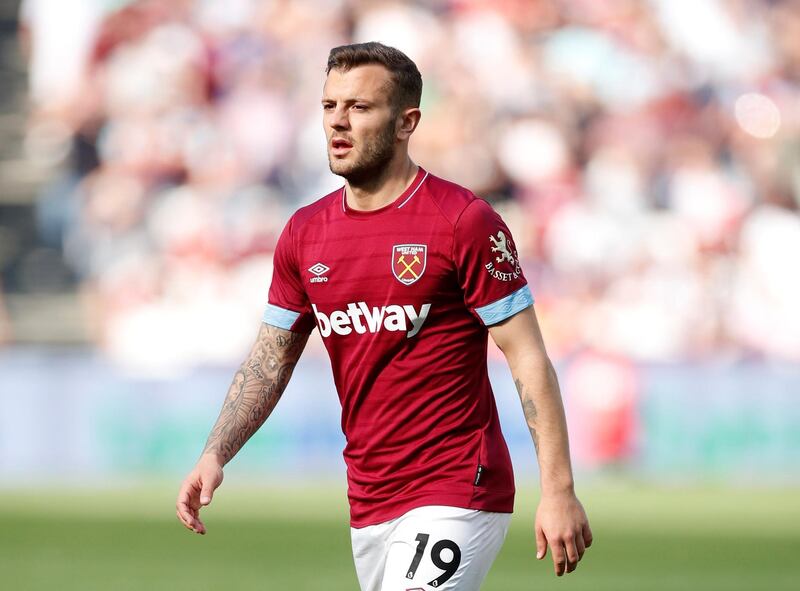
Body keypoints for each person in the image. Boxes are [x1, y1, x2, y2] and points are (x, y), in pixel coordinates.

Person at [176, 41, 592, 590]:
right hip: (370, 497)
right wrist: (215, 452)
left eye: (361, 107)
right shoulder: (305, 232)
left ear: (406, 122)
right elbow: (270, 359)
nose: (339, 123)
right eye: (329, 107)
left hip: (457, 487)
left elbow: (528, 357)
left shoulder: (462, 221)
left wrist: (558, 490)